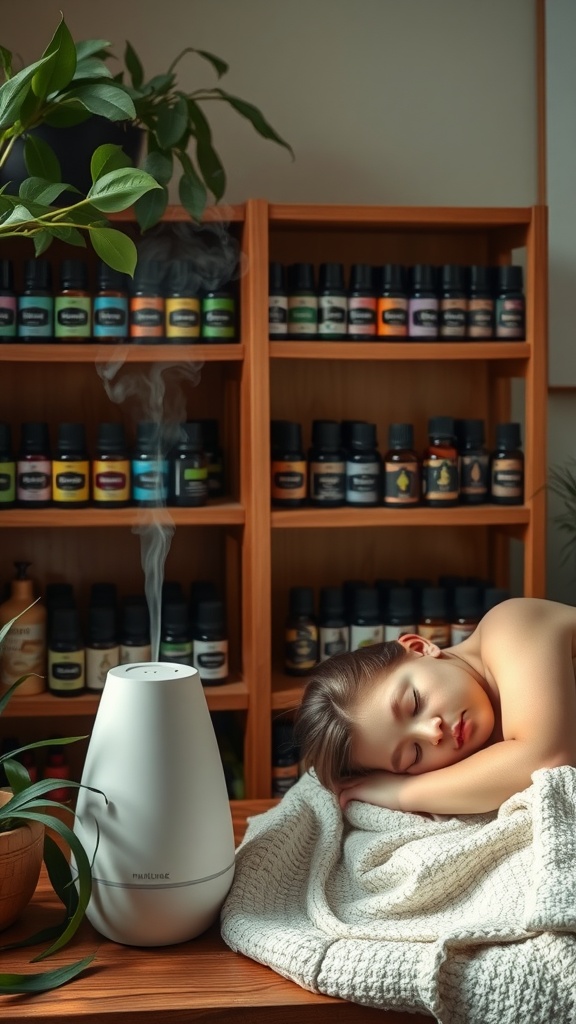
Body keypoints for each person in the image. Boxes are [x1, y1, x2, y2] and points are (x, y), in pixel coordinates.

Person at [295, 597, 576, 816]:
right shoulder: (478, 758)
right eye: (413, 754)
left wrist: (402, 792)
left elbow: (545, 759)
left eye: (415, 703)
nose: (434, 733)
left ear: (419, 647)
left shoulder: (511, 625)